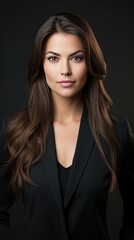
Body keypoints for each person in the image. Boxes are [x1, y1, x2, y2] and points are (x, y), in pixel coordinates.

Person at [0, 11, 134, 240]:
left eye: (76, 58)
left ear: (89, 62)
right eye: (53, 58)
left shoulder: (116, 133)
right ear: (41, 64)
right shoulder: (16, 131)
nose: (65, 70)